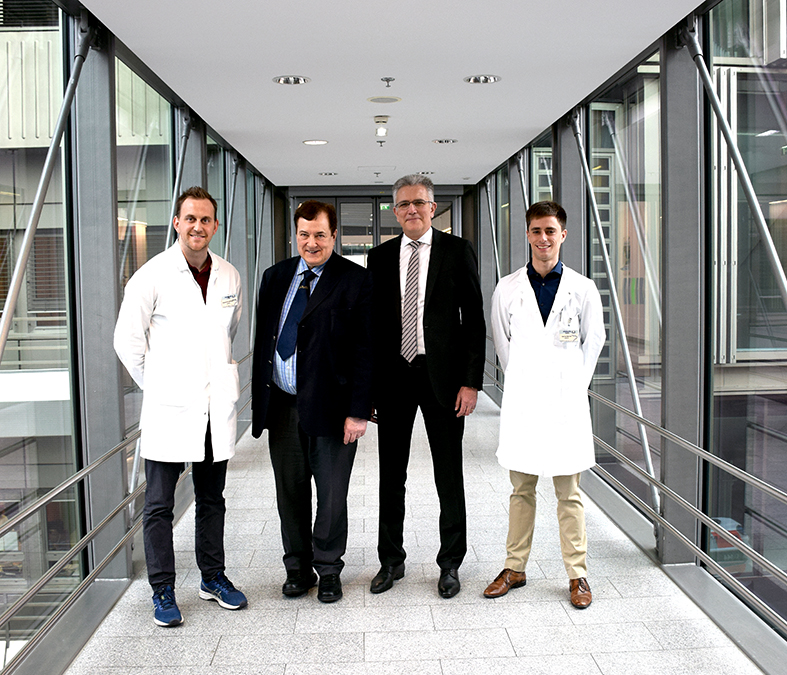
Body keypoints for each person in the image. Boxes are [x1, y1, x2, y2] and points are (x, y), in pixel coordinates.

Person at [114, 186, 248, 627]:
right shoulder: (151, 275)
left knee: (212, 499)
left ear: (215, 225)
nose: (198, 226)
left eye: (205, 219)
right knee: (159, 506)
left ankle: (213, 578)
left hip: (214, 409)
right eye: (190, 218)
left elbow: (228, 331)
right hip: (168, 411)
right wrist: (160, 385)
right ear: (176, 222)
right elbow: (127, 343)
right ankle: (163, 590)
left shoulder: (229, 275)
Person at [367, 174, 485, 598]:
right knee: (390, 475)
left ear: (433, 208)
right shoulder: (379, 257)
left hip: (445, 381)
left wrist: (471, 383)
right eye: (403, 204)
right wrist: (370, 389)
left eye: (419, 202)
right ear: (395, 212)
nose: (411, 209)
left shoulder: (457, 251)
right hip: (394, 379)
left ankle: (450, 563)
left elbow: (474, 322)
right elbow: (373, 326)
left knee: (448, 475)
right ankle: (390, 560)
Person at [484, 200, 605, 608]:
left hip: (566, 406)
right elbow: (502, 342)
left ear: (563, 235)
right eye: (536, 231)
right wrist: (523, 381)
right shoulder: (508, 287)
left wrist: (571, 387)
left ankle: (578, 575)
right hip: (524, 405)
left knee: (569, 493)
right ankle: (514, 567)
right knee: (522, 490)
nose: (543, 238)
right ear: (527, 234)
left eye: (550, 230)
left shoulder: (582, 288)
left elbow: (594, 340)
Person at [251, 200, 372, 603]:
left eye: (320, 234)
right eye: (304, 234)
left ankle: (330, 568)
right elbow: (265, 340)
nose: (312, 242)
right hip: (283, 408)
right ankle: (297, 569)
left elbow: (365, 351)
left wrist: (358, 411)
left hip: (334, 411)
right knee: (290, 493)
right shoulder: (275, 277)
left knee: (332, 495)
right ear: (295, 235)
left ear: (334, 235)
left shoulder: (355, 280)